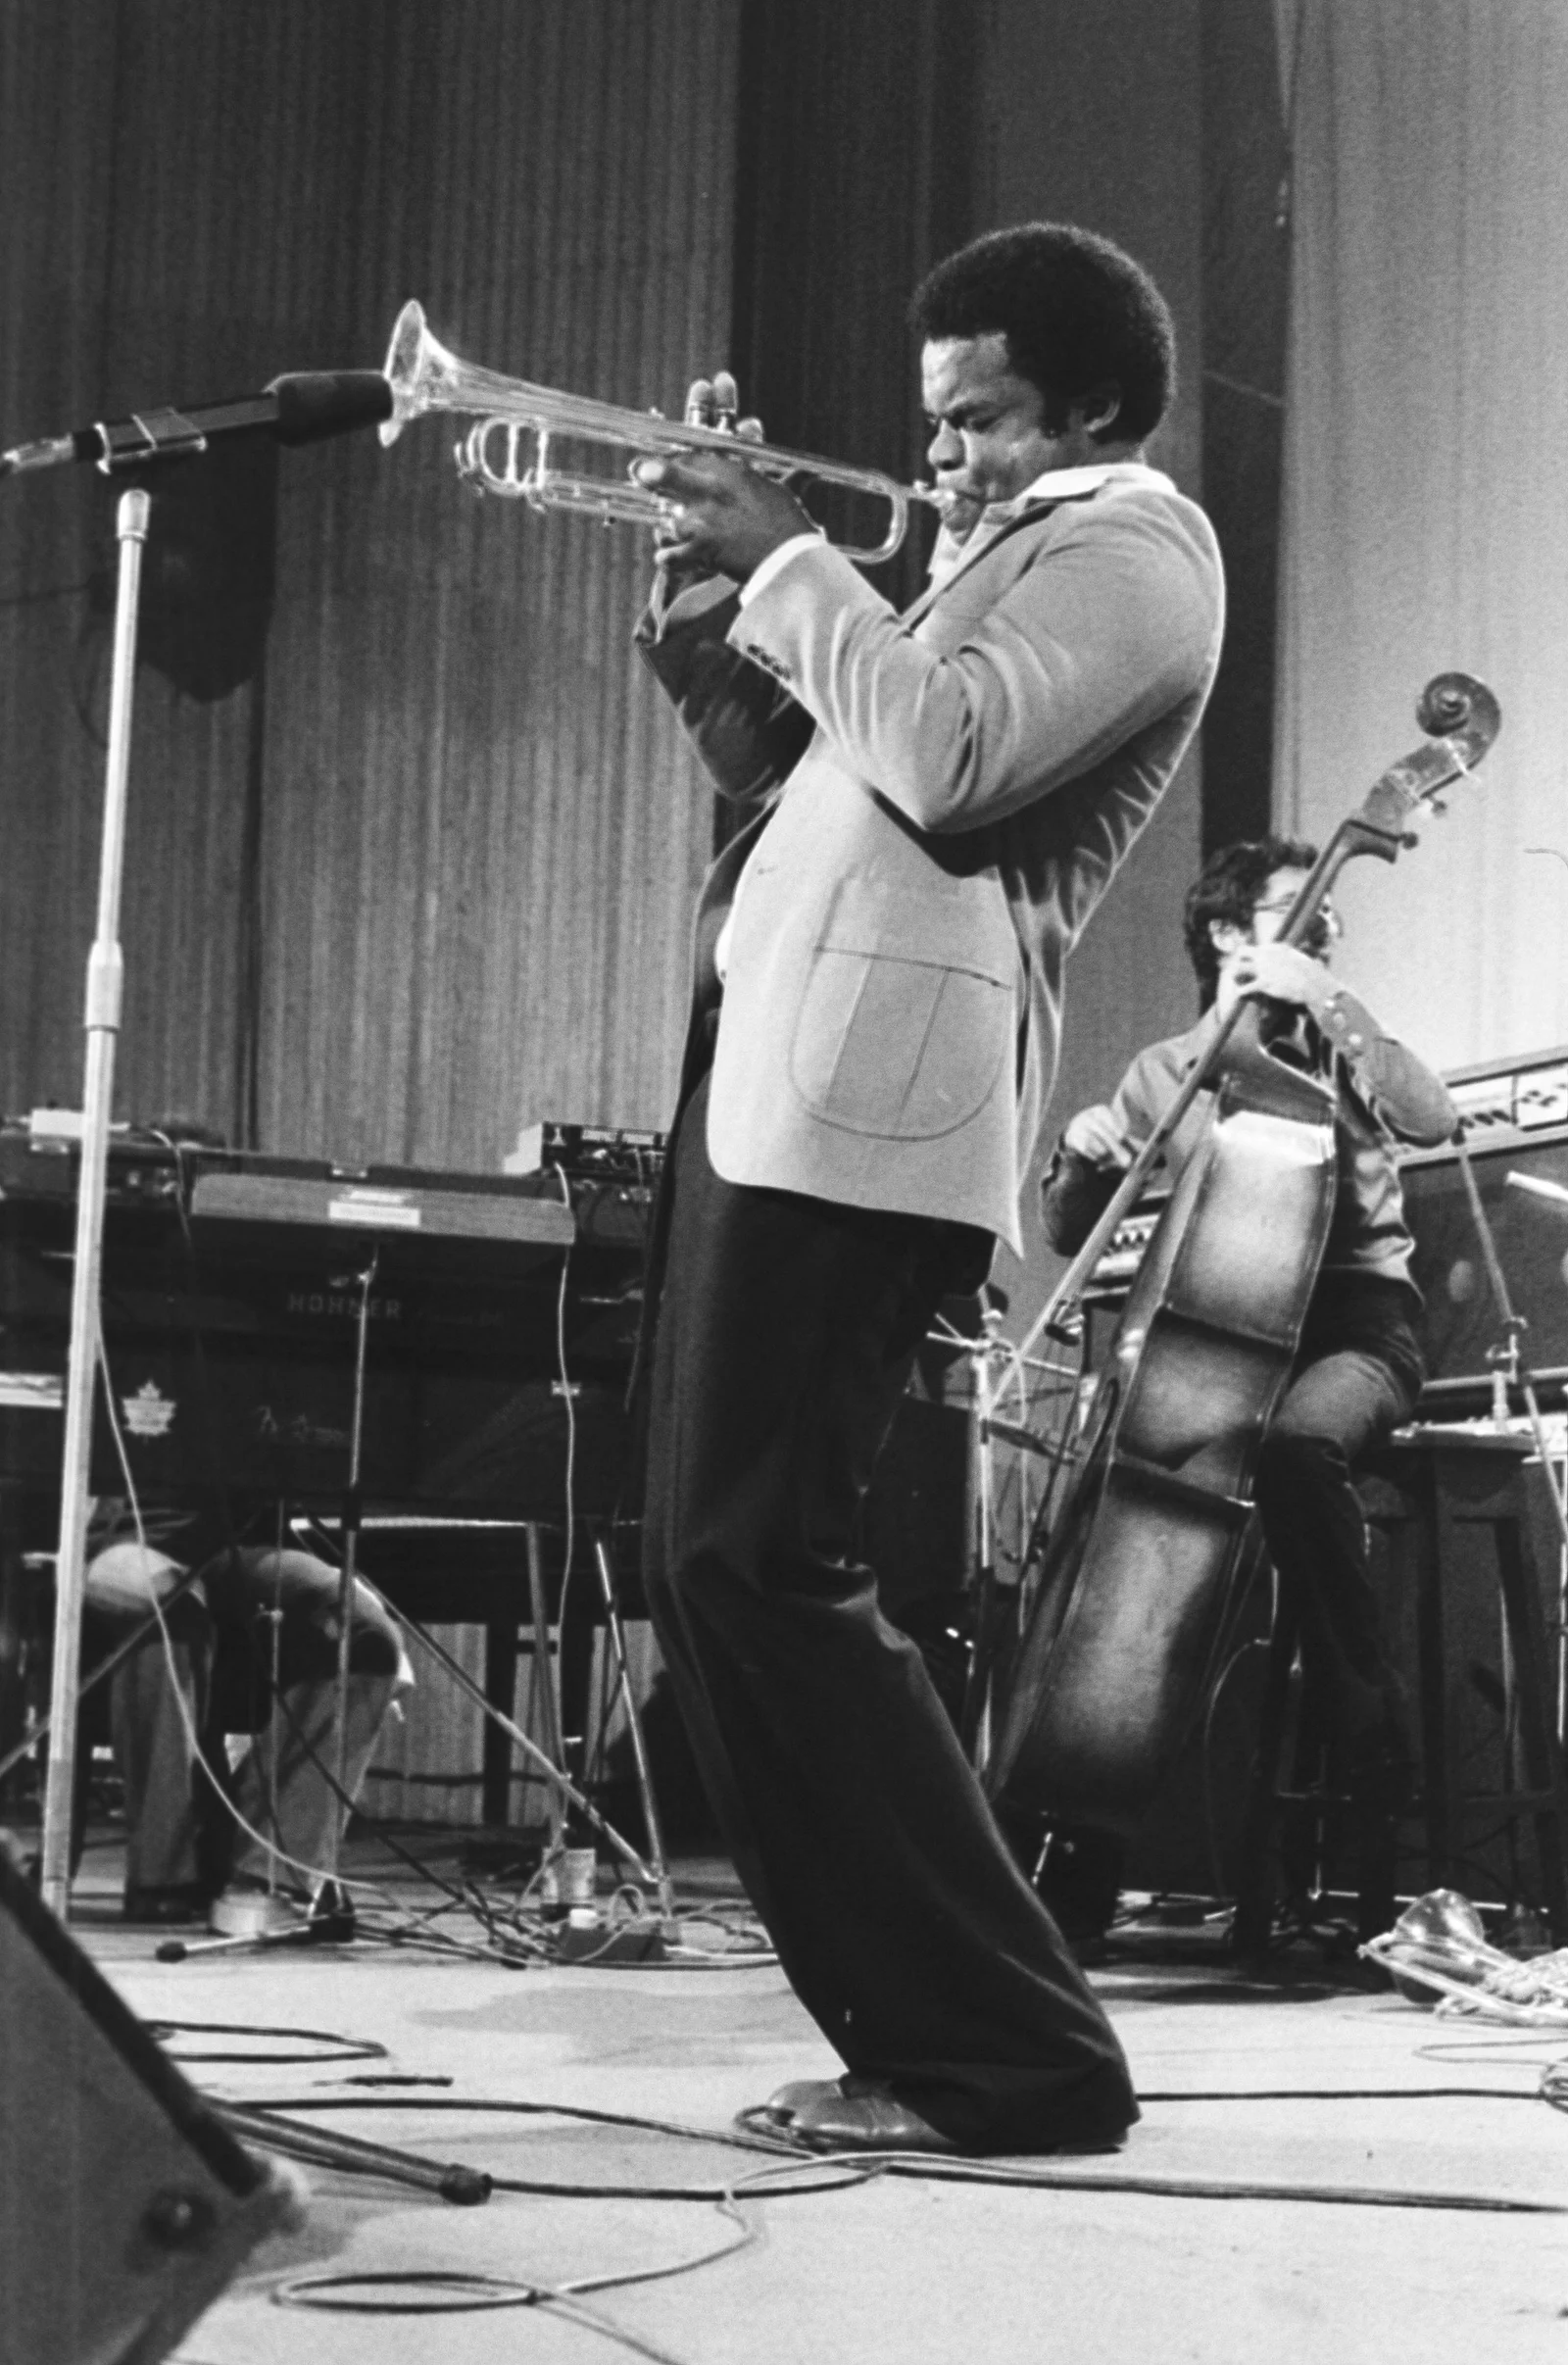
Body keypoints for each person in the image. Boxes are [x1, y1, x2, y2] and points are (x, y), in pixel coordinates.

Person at [627, 222, 1224, 2155]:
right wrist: (703, 592)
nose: (942, 456)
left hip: (875, 1113)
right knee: (713, 1564)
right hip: (780, 1085)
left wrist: (792, 558)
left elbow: (952, 761)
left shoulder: (1139, 552)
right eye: (934, 420)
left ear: (1095, 412)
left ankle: (1014, 2055)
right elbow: (800, 778)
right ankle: (922, 2034)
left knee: (764, 1560)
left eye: (979, 419)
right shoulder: (980, 558)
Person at [1036, 836, 1458, 1944]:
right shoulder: (1164, 1072)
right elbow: (1070, 1229)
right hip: (1227, 1343)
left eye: (1328, 917)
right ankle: (1080, 1842)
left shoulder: (1342, 1049)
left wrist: (1328, 999)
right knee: (1140, 1554)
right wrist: (1079, 1154)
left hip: (1359, 1330)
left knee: (1296, 1448)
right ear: (1229, 933)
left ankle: (1369, 1732)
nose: (1325, 926)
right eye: (1297, 910)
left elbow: (1432, 1117)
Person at [84, 1501, 405, 1930]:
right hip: (136, 1535)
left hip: (250, 1544)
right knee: (171, 1611)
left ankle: (269, 1870)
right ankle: (164, 1869)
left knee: (367, 1633)